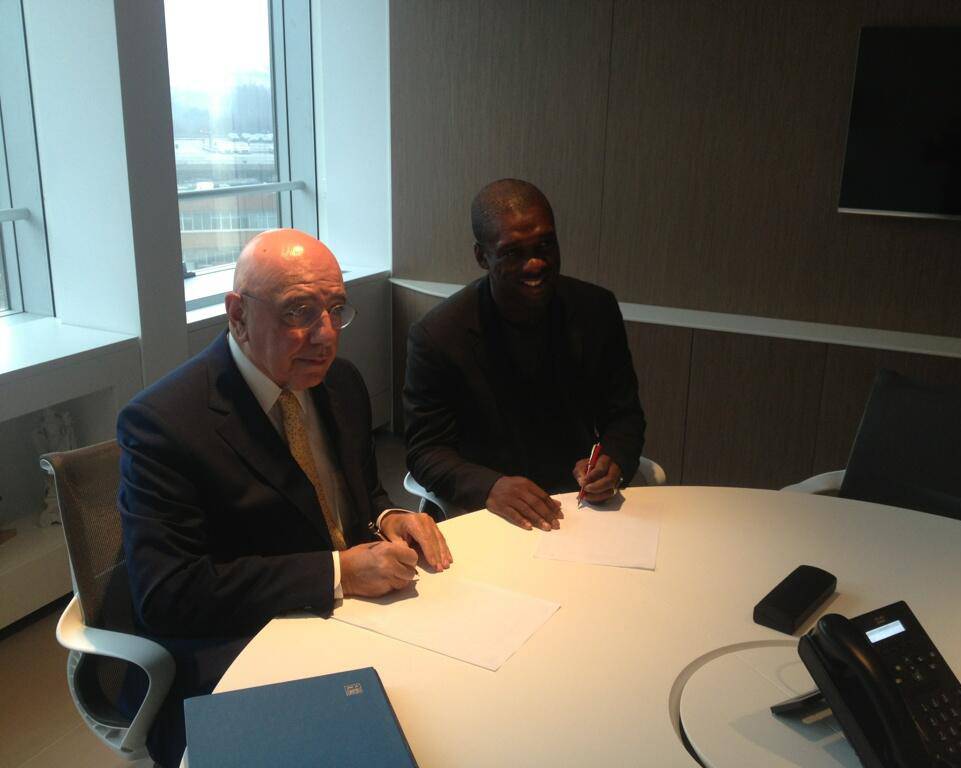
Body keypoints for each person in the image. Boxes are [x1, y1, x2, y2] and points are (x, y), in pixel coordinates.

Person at [118, 228, 451, 766]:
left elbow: (358, 495)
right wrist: (337, 572)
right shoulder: (164, 422)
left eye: (336, 310)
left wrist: (388, 517)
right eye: (299, 311)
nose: (326, 336)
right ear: (238, 314)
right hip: (238, 647)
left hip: (353, 621)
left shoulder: (340, 383)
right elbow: (168, 595)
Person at [404, 179, 645, 530]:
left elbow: (624, 415)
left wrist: (612, 461)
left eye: (545, 245)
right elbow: (425, 451)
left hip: (578, 504)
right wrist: (490, 486)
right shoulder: (438, 335)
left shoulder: (596, 309)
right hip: (486, 512)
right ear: (482, 257)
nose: (535, 263)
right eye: (512, 252)